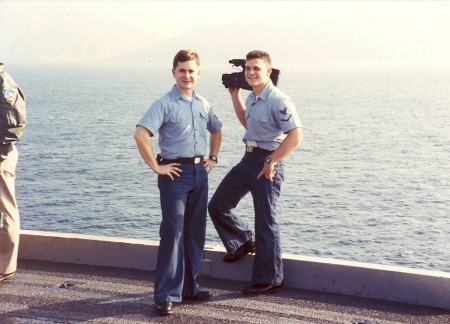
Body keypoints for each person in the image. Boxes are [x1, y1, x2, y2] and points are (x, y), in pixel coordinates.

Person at [134, 50, 222, 316]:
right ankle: (164, 295)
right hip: (174, 174)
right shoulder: (163, 104)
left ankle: (189, 288)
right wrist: (156, 167)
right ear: (174, 72)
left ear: (198, 74)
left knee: (195, 233)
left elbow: (217, 129)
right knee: (172, 235)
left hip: (199, 172)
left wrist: (213, 158)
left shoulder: (203, 104)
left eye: (191, 71)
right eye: (182, 70)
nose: (187, 75)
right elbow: (141, 134)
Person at [208, 50, 302, 295]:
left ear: (268, 72)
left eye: (256, 69)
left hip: (267, 162)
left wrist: (271, 160)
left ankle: (270, 278)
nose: (250, 73)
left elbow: (295, 136)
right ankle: (242, 241)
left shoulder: (278, 99)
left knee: (265, 221)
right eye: (247, 69)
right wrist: (235, 95)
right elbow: (248, 124)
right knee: (218, 205)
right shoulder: (254, 97)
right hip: (248, 159)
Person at [0, 62, 26, 282]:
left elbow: (12, 126)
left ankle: (5, 267)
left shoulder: (4, 83)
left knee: (6, 209)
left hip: (1, 155)